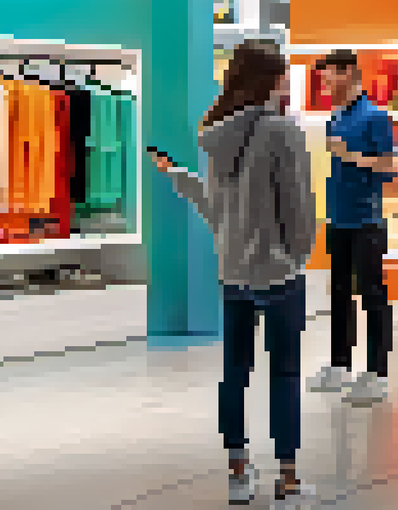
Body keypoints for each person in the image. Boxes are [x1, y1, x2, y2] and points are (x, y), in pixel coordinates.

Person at [150, 40, 316, 506]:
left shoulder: (214, 134)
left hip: (232, 273)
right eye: (282, 74)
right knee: (284, 373)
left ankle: (238, 471)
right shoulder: (283, 131)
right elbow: (298, 207)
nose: (286, 82)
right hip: (278, 275)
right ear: (269, 79)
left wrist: (179, 177)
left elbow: (215, 209)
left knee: (234, 373)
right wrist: (296, 254)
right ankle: (288, 481)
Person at [306, 49, 398, 404]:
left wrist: (353, 157)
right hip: (338, 219)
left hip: (367, 221)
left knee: (373, 295)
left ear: (348, 73)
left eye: (330, 75)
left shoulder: (375, 117)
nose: (326, 81)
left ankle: (378, 373)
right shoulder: (335, 118)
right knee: (340, 294)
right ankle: (339, 365)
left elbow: (389, 167)